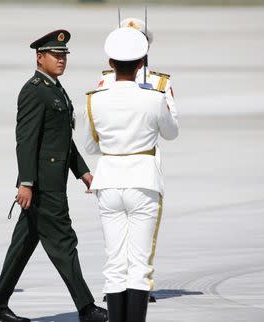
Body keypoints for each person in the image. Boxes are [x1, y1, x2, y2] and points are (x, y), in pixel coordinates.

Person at [0, 29, 108, 322]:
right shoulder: (34, 90)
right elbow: (25, 140)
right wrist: (26, 183)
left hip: (52, 181)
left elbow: (62, 138)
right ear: (40, 58)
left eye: (64, 55)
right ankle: (86, 307)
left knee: (22, 246)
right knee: (64, 242)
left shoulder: (54, 88)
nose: (61, 59)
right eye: (56, 54)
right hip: (42, 185)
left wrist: (83, 172)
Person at [84, 27, 179, 322]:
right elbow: (171, 133)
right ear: (141, 65)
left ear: (110, 64)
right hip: (143, 180)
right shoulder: (154, 97)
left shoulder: (94, 98)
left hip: (109, 179)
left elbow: (90, 145)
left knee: (114, 263)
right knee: (139, 265)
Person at [97, 18, 175, 116]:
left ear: (147, 48)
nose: (131, 47)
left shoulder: (160, 84)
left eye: (137, 43)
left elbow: (170, 126)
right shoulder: (106, 79)